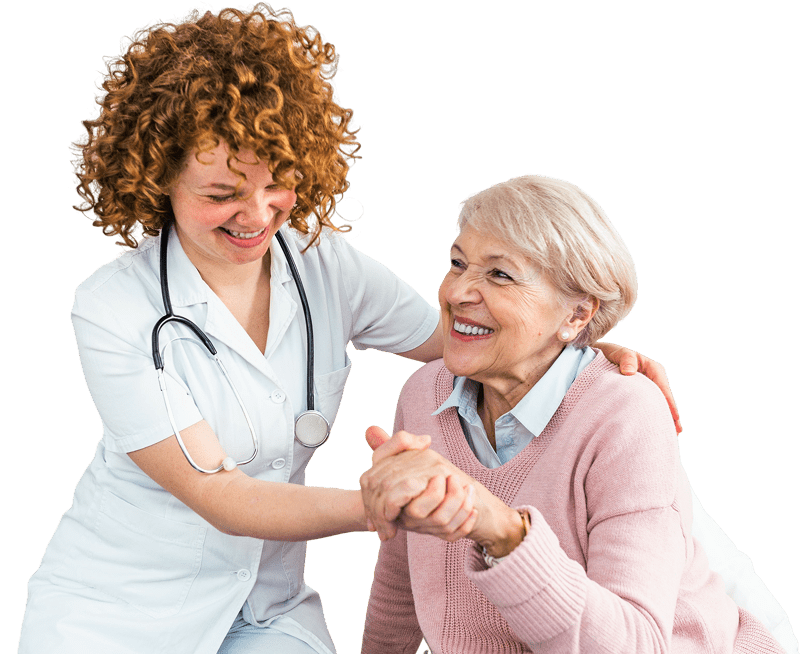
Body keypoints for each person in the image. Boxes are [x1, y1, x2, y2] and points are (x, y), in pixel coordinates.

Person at [17, 8, 670, 654]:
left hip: (266, 611)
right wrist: (385, 500)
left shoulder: (320, 261)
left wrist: (578, 347)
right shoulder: (113, 307)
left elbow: (461, 339)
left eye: (278, 183)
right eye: (221, 194)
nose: (257, 215)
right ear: (156, 176)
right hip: (121, 609)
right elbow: (220, 495)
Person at [360, 175, 798, 653]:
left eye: (500, 274)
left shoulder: (626, 414)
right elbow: (400, 586)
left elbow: (636, 645)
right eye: (457, 263)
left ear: (576, 315)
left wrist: (503, 533)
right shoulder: (423, 395)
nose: (458, 291)